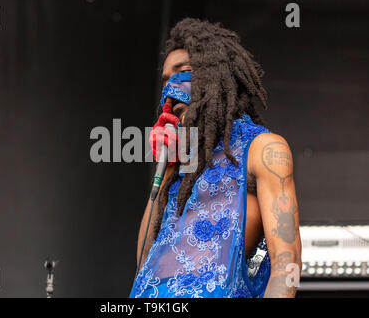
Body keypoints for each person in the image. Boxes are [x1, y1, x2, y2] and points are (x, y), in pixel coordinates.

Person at [129, 18, 301, 298]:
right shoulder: (181, 164)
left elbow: (287, 259)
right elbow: (145, 265)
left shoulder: (263, 149)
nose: (171, 87)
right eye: (165, 80)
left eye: (183, 72)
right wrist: (166, 169)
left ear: (216, 75)